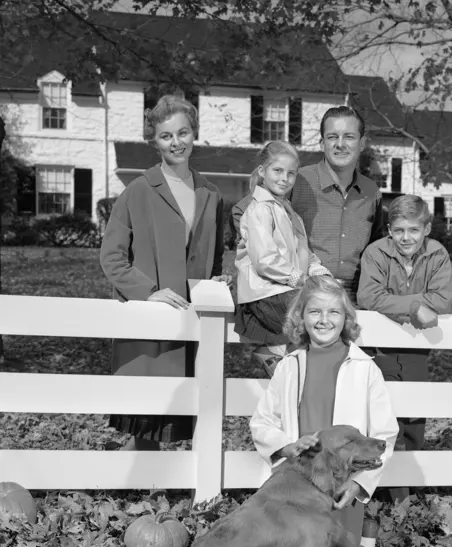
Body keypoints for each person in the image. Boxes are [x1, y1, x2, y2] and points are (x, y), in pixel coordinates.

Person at [250, 276, 399, 547]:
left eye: (334, 312)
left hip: (342, 482)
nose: (324, 320)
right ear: (300, 317)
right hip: (300, 482)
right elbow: (262, 422)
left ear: (346, 319)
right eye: (315, 311)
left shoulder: (363, 368)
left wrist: (359, 483)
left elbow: (384, 433)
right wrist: (285, 446)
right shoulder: (289, 367)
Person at [100, 94, 231, 452]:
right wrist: (148, 291)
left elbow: (215, 257)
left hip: (192, 317)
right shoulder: (138, 191)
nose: (176, 142)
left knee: (184, 408)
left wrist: (216, 282)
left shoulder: (212, 194)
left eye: (183, 132)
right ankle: (138, 484)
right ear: (154, 141)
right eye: (166, 136)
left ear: (194, 134)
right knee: (147, 417)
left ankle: (166, 487)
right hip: (151, 318)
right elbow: (111, 257)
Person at [231, 106, 382, 305]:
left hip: (354, 296)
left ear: (362, 143)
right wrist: (255, 263)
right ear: (322, 143)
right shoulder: (296, 180)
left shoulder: (372, 192)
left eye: (349, 137)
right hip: (302, 294)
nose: (340, 144)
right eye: (332, 137)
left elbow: (378, 247)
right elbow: (243, 212)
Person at [357, 194, 452, 460]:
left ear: (427, 229)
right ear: (389, 230)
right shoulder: (376, 253)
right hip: (379, 349)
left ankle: (408, 483)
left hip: (418, 349)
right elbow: (368, 296)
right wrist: (413, 306)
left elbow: (442, 300)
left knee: (413, 414)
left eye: (414, 230)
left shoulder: (437, 254)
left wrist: (393, 304)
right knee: (382, 413)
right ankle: (382, 482)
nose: (406, 237)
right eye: (399, 230)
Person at [234, 141, 330, 376]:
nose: (284, 178)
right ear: (262, 172)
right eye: (277, 171)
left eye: (291, 173)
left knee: (327, 307)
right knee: (317, 322)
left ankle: (276, 362)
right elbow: (265, 260)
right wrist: (300, 279)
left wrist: (321, 274)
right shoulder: (259, 210)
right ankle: (283, 369)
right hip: (266, 292)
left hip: (282, 290)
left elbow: (304, 252)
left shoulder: (289, 212)